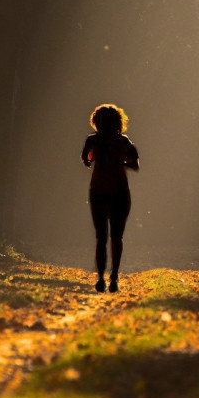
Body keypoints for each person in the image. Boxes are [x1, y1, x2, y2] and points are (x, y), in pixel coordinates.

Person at [80, 102, 139, 292]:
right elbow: (135, 164)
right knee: (115, 237)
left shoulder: (93, 140)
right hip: (118, 191)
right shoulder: (123, 141)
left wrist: (94, 160)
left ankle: (102, 277)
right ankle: (112, 276)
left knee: (102, 236)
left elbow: (85, 159)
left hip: (100, 191)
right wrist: (120, 163)